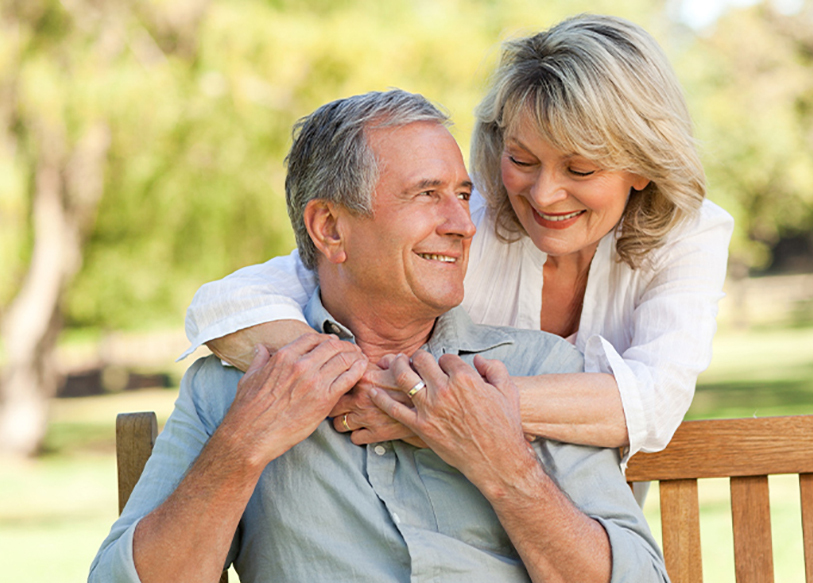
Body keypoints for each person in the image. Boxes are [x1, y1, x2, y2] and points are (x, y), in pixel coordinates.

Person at [89, 90, 666, 582]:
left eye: (463, 195)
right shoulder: (234, 387)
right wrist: (243, 446)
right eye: (426, 194)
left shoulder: (540, 365)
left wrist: (503, 464)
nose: (464, 225)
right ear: (330, 228)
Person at [181, 14, 733, 470]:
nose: (543, 194)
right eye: (521, 160)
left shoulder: (690, 234)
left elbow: (655, 402)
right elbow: (229, 303)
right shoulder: (464, 222)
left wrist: (447, 408)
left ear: (641, 167)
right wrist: (369, 384)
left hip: (579, 525)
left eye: (580, 169)